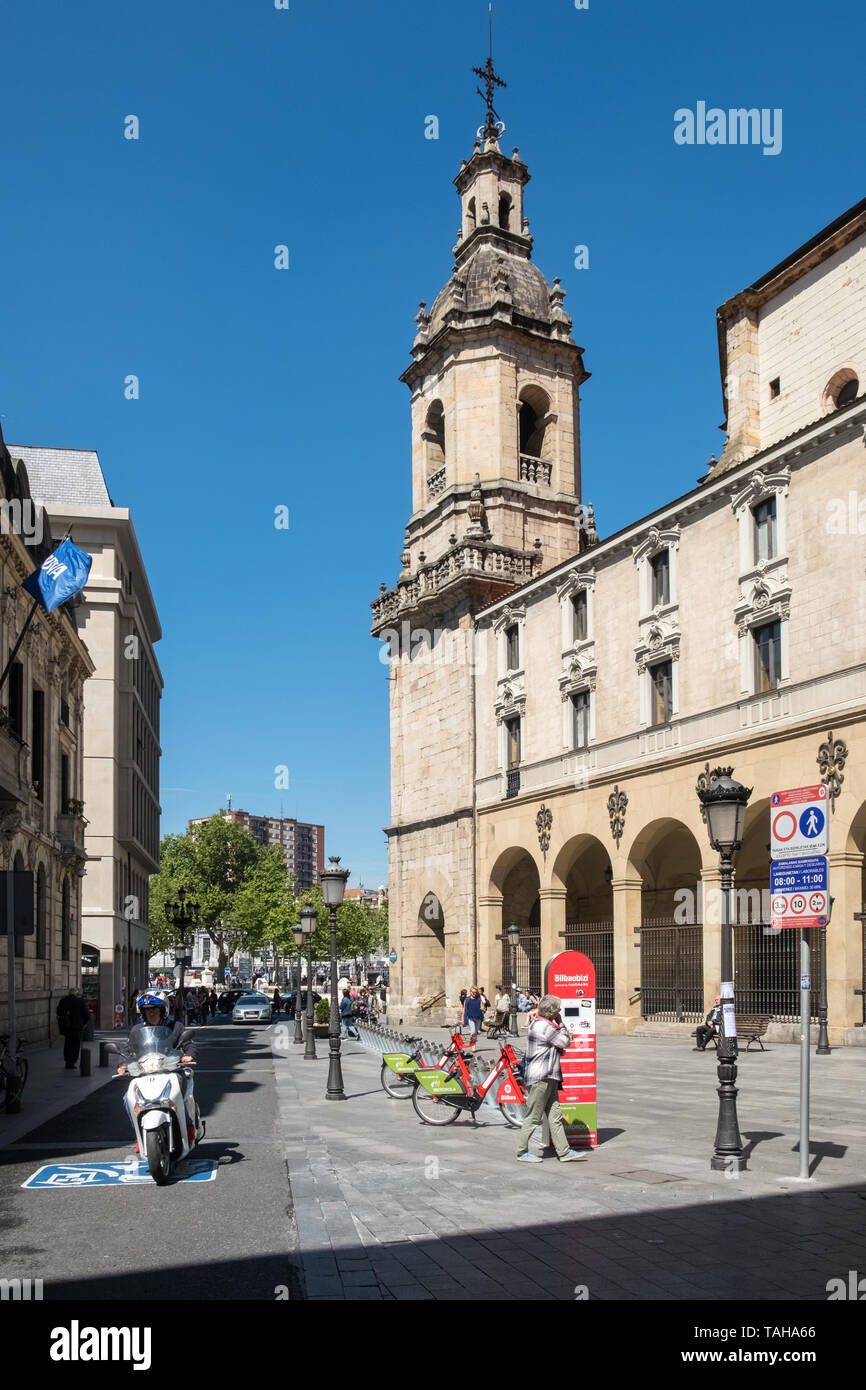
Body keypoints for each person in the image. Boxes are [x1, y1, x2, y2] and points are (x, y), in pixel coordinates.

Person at [116, 993, 198, 1151]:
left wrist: (189, 1055)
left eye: (154, 1009)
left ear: (163, 1010)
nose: (151, 1012)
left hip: (171, 1070)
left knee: (181, 1093)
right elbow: (128, 1049)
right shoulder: (137, 1030)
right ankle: (140, 1135)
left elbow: (189, 1044)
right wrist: (123, 1064)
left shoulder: (176, 1027)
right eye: (147, 1010)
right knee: (128, 1098)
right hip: (145, 1073)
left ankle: (188, 1128)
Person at [515, 994, 586, 1164]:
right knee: (533, 1116)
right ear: (552, 1012)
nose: (559, 1012)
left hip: (549, 1078)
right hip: (541, 1078)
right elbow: (565, 1041)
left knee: (555, 1116)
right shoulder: (544, 1026)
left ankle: (564, 1151)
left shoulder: (542, 1024)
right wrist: (561, 1023)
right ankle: (521, 1151)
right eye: (558, 1010)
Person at [56, 989, 89, 1069]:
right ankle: (72, 1061)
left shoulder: (63, 1000)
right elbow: (86, 1014)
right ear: (76, 994)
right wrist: (84, 1023)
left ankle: (67, 1061)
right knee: (76, 1044)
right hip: (76, 1027)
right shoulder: (80, 1001)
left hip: (66, 1027)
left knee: (67, 1044)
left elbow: (58, 1012)